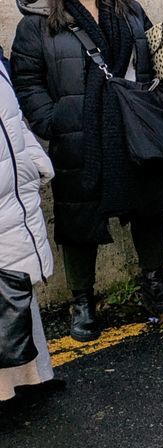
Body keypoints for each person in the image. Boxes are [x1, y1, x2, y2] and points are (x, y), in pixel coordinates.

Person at [13, 0, 163, 341]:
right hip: (80, 134)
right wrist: (52, 120)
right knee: (79, 218)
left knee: (149, 205)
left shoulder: (128, 9)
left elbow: (155, 54)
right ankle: (82, 301)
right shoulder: (37, 23)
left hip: (133, 126)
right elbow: (28, 82)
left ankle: (154, 279)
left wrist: (161, 97)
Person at [0, 59, 54, 400]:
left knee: (13, 287)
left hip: (12, 193)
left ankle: (29, 377)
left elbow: (13, 118)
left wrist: (35, 160)